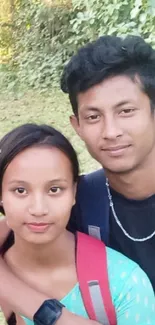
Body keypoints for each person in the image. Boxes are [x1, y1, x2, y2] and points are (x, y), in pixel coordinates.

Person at [1, 34, 155, 324]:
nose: (111, 131)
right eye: (94, 116)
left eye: (126, 111)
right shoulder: (80, 198)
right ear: (78, 125)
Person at [1, 123, 155, 325]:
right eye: (20, 191)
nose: (38, 209)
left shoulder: (126, 284)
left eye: (54, 189)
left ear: (74, 192)